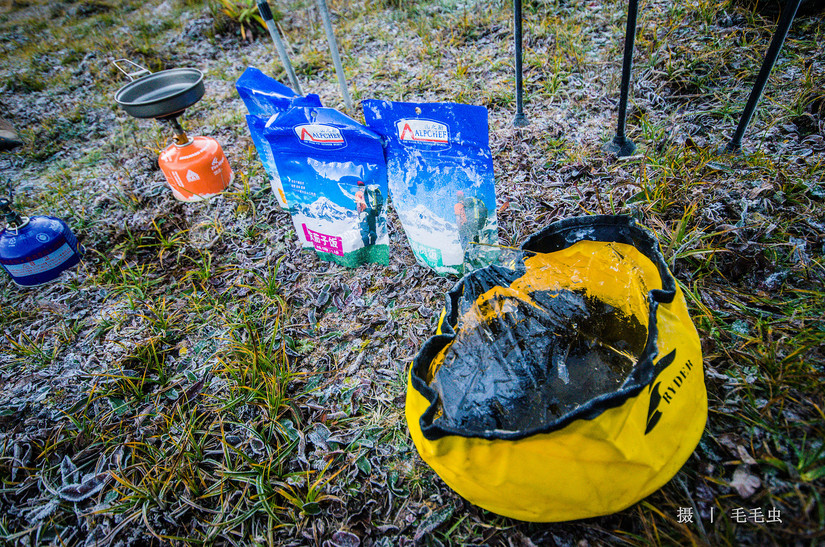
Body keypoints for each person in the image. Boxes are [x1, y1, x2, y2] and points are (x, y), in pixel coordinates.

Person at [355, 180, 383, 247]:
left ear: (359, 186)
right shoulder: (369, 191)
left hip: (364, 212)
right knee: (372, 229)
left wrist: (359, 214)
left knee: (364, 231)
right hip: (372, 211)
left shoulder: (358, 193)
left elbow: (358, 205)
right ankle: (373, 245)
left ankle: (366, 247)